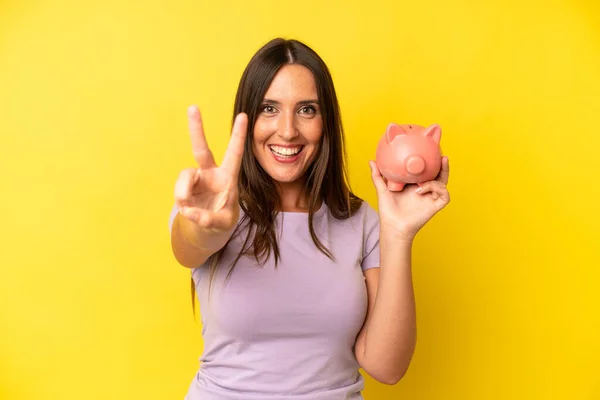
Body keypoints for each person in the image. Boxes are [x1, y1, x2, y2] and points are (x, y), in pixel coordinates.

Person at [168, 37, 450, 400]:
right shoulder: (208, 206)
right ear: (248, 117)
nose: (287, 130)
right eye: (269, 108)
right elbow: (190, 245)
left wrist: (397, 232)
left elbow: (386, 367)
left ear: (325, 122)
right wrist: (206, 227)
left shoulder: (360, 220)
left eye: (306, 110)